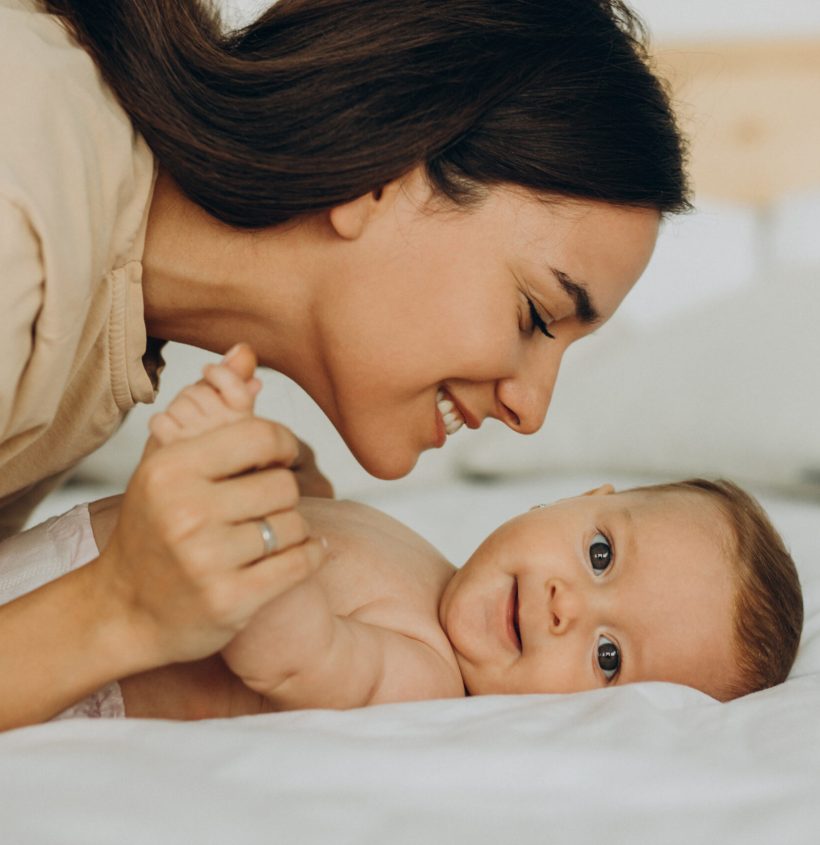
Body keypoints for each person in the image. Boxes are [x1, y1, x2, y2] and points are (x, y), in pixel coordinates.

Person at [0, 0, 690, 728]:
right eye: (536, 315)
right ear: (383, 174)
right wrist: (121, 605)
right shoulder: (23, 229)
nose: (532, 409)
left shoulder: (105, 338)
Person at [3, 355, 800, 724]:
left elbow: (291, 649)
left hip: (64, 675)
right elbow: (339, 552)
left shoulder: (422, 675)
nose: (567, 606)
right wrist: (300, 482)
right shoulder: (427, 561)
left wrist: (233, 489)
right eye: (600, 556)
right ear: (581, 498)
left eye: (608, 657)